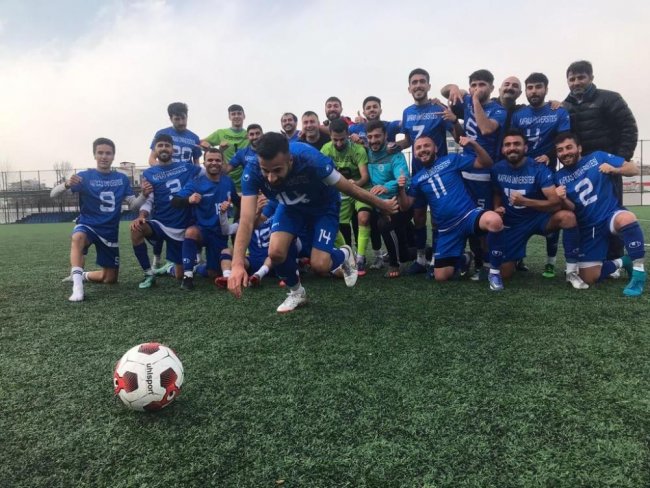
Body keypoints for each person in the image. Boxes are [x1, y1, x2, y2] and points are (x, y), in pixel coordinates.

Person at [227, 132, 398, 313]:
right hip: (290, 207)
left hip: (323, 207)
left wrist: (382, 205)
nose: (271, 178)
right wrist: (237, 264)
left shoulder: (312, 160)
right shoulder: (252, 170)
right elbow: (246, 220)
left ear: (290, 160)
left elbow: (350, 189)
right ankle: (297, 293)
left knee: (320, 265)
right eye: (265, 171)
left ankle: (344, 253)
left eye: (277, 170)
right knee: (275, 253)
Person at [397, 135, 506, 291]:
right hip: (447, 229)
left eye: (426, 145)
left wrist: (473, 144)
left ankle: (494, 273)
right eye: (418, 148)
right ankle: (464, 258)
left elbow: (486, 163)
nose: (423, 150)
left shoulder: (451, 160)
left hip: (468, 216)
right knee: (441, 276)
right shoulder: (416, 180)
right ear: (415, 154)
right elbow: (405, 206)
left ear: (435, 148)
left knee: (494, 221)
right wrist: (400, 189)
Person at [51, 138, 145, 302]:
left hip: (109, 231)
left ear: (113, 156)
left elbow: (134, 205)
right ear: (94, 155)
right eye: (100, 153)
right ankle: (78, 288)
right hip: (88, 225)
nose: (104, 156)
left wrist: (144, 194)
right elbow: (53, 195)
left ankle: (81, 275)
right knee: (78, 237)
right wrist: (66, 184)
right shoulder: (84, 177)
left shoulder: (122, 179)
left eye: (108, 153)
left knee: (110, 279)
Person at [491, 129, 587, 289]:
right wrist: (497, 207)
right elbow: (496, 192)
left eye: (516, 144)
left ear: (525, 147)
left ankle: (571, 271)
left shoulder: (538, 169)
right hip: (513, 223)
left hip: (538, 218)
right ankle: (515, 257)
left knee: (567, 217)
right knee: (504, 273)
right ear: (502, 149)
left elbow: (555, 203)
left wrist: (526, 201)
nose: (512, 148)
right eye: (507, 145)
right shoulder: (497, 169)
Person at [564, 60, 638, 262]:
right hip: (580, 170)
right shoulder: (565, 106)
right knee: (584, 213)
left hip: (606, 168)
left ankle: (615, 257)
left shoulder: (610, 98)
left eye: (581, 77)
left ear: (591, 78)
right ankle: (589, 255)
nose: (576, 82)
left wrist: (619, 161)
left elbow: (629, 128)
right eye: (572, 79)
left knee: (611, 211)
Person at [554, 132, 645, 296]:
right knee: (589, 277)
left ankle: (639, 275)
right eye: (560, 150)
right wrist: (563, 198)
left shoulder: (598, 157)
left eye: (569, 147)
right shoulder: (558, 177)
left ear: (579, 148)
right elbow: (572, 208)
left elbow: (634, 169)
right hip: (589, 228)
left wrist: (614, 169)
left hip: (610, 215)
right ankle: (623, 261)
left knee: (627, 218)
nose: (565, 152)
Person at [441, 69, 507, 280]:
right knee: (466, 216)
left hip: (485, 171)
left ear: (492, 88)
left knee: (484, 219)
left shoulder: (498, 110)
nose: (477, 89)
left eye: (482, 85)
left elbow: (486, 129)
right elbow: (444, 91)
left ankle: (487, 263)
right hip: (465, 168)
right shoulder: (466, 99)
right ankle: (475, 261)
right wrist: (453, 87)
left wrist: (475, 100)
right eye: (474, 85)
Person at [511, 72, 572, 277]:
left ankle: (550, 262)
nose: (534, 91)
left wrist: (549, 155)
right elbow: (513, 140)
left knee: (553, 214)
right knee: (518, 214)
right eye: (530, 88)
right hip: (522, 174)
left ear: (546, 89)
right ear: (525, 91)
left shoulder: (558, 111)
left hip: (547, 173)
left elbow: (564, 140)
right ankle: (517, 257)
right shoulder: (518, 114)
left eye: (538, 87)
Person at [130, 134, 202, 288]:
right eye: (160, 145)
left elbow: (207, 174)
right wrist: (141, 216)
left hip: (183, 225)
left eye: (167, 145)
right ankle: (149, 274)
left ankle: (170, 268)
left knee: (179, 275)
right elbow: (149, 200)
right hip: (162, 224)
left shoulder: (187, 167)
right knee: (136, 228)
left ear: (173, 149)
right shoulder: (149, 173)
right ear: (155, 150)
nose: (164, 148)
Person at [171, 148, 239, 290]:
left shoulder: (228, 182)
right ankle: (188, 276)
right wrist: (189, 199)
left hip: (219, 233)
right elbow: (175, 201)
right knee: (191, 232)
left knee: (213, 273)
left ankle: (198, 267)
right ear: (204, 163)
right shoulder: (196, 183)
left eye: (217, 160)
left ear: (222, 162)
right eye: (210, 160)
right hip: (202, 230)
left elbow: (239, 202)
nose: (214, 163)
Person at [320, 118, 371, 273]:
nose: (339, 143)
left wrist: (353, 185)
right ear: (330, 136)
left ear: (348, 134)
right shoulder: (325, 149)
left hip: (359, 189)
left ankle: (360, 258)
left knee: (364, 218)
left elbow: (364, 177)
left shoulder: (358, 149)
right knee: (340, 227)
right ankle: (347, 258)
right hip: (339, 193)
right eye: (335, 140)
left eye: (342, 139)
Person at [366, 120, 412, 278]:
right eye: (370, 137)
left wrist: (386, 187)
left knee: (384, 224)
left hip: (398, 201)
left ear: (385, 136)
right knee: (363, 216)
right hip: (376, 203)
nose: (373, 140)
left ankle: (395, 263)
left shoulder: (394, 153)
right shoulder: (366, 152)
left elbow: (404, 179)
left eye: (377, 136)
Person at [201, 104, 249, 193]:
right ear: (229, 117)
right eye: (233, 114)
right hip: (225, 177)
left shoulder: (250, 135)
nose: (236, 116)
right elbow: (201, 143)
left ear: (244, 116)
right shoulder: (221, 133)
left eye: (239, 113)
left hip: (246, 180)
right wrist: (209, 148)